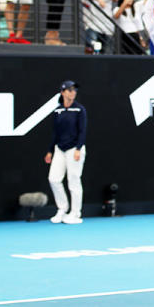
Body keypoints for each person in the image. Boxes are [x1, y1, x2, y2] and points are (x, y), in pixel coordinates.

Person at [44, 80, 87, 225]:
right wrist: (50, 151)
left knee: (74, 181)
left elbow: (82, 131)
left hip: (74, 149)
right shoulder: (57, 111)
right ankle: (62, 208)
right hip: (59, 149)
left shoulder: (80, 110)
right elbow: (55, 133)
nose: (73, 93)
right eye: (69, 90)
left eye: (74, 90)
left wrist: (78, 148)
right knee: (54, 179)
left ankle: (75, 213)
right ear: (62, 92)